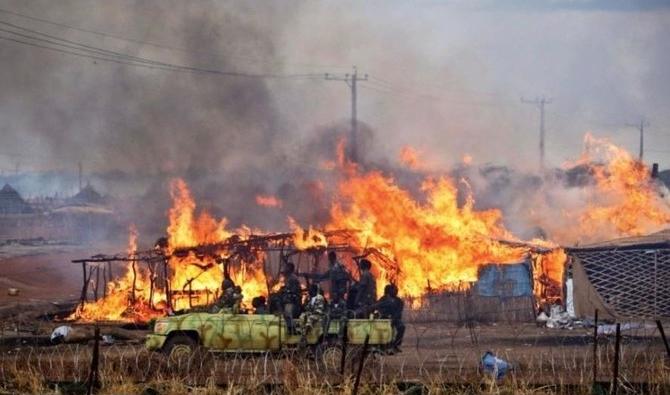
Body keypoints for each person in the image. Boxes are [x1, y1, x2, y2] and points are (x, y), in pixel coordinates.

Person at [372, 283, 405, 353]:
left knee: (401, 327)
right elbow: (378, 307)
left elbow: (399, 311)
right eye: (394, 289)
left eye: (396, 289)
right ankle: (380, 345)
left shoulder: (399, 301)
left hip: (395, 319)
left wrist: (393, 318)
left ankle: (396, 345)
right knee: (380, 328)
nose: (396, 291)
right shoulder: (383, 299)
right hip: (384, 318)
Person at [280, 262, 302, 333]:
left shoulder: (292, 278)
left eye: (286, 267)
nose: (285, 269)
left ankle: (292, 330)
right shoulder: (289, 278)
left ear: (290, 269)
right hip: (289, 300)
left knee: (288, 313)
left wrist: (285, 291)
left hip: (292, 302)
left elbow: (294, 291)